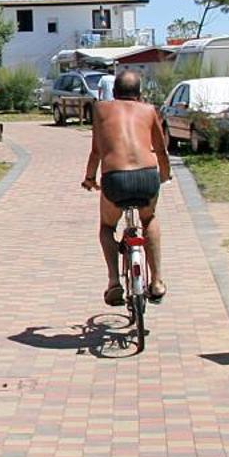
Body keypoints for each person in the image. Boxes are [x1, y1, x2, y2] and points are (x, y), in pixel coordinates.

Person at [80, 69, 172, 304]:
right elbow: (161, 150)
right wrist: (165, 175)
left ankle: (113, 282)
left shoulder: (101, 109)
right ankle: (157, 281)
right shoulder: (149, 110)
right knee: (149, 218)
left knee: (107, 226)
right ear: (139, 93)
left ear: (114, 91)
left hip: (116, 179)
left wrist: (90, 178)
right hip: (147, 176)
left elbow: (97, 151)